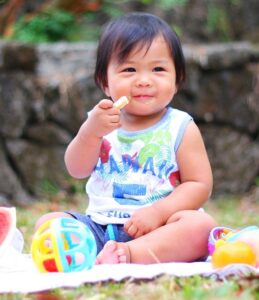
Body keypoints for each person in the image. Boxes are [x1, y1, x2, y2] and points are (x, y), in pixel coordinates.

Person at [35, 12, 216, 264]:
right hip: (100, 227)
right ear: (105, 83)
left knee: (201, 226)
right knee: (49, 223)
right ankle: (103, 253)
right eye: (129, 69)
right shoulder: (100, 121)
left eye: (158, 69)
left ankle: (131, 254)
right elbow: (76, 169)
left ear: (177, 81)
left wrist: (157, 212)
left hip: (160, 228)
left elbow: (199, 185)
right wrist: (90, 132)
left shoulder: (180, 126)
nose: (143, 80)